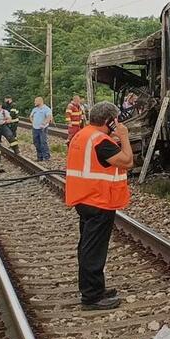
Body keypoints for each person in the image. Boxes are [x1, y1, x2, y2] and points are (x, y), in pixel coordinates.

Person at [64, 101, 134, 310]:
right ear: (110, 121)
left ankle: (94, 287)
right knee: (93, 249)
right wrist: (124, 137)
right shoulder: (101, 142)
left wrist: (110, 139)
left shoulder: (84, 135)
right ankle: (92, 297)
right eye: (116, 120)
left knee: (87, 246)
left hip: (84, 198)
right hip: (99, 200)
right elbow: (127, 161)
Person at [31, 96, 53, 162]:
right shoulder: (34, 109)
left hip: (43, 128)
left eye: (35, 101)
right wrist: (33, 122)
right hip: (35, 128)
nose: (34, 102)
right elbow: (31, 116)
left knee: (43, 142)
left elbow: (49, 117)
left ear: (40, 101)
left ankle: (46, 157)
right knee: (36, 142)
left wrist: (44, 123)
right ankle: (39, 157)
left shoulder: (46, 109)